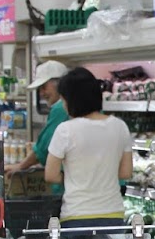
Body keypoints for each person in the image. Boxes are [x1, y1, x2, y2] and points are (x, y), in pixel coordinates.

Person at [45, 67, 132, 229]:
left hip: (76, 214)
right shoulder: (120, 126)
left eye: (63, 100)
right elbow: (125, 173)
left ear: (71, 100)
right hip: (113, 214)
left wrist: (75, 178)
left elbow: (50, 175)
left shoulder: (65, 130)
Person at [4, 60, 68, 182]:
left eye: (44, 87)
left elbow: (43, 148)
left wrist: (21, 166)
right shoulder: (69, 106)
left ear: (59, 85)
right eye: (39, 89)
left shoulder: (60, 108)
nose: (42, 93)